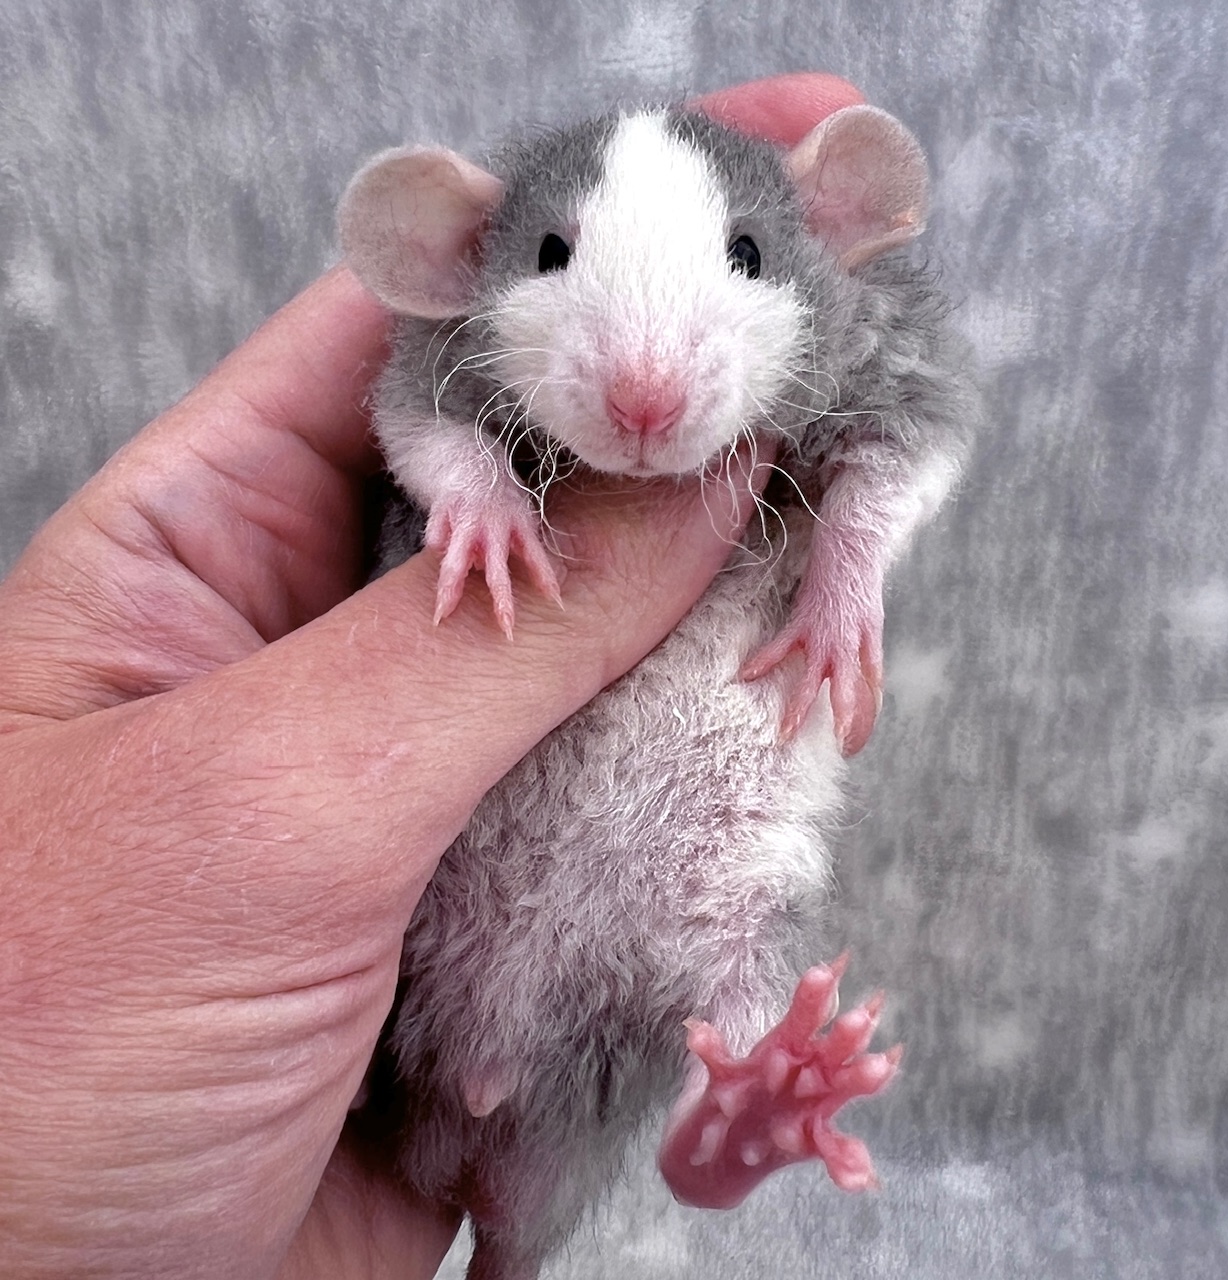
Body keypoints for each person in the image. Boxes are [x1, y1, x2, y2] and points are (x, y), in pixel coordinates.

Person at [0, 74, 865, 1279]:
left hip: (596, 1010)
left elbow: (903, 437)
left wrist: (850, 568)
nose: (647, 392)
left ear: (825, 237)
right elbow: (416, 410)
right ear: (455, 253)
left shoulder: (850, 351)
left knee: (745, 917)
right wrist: (472, 486)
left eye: (742, 256)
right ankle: (707, 1098)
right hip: (409, 1000)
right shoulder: (453, 370)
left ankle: (720, 1112)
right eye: (553, 255)